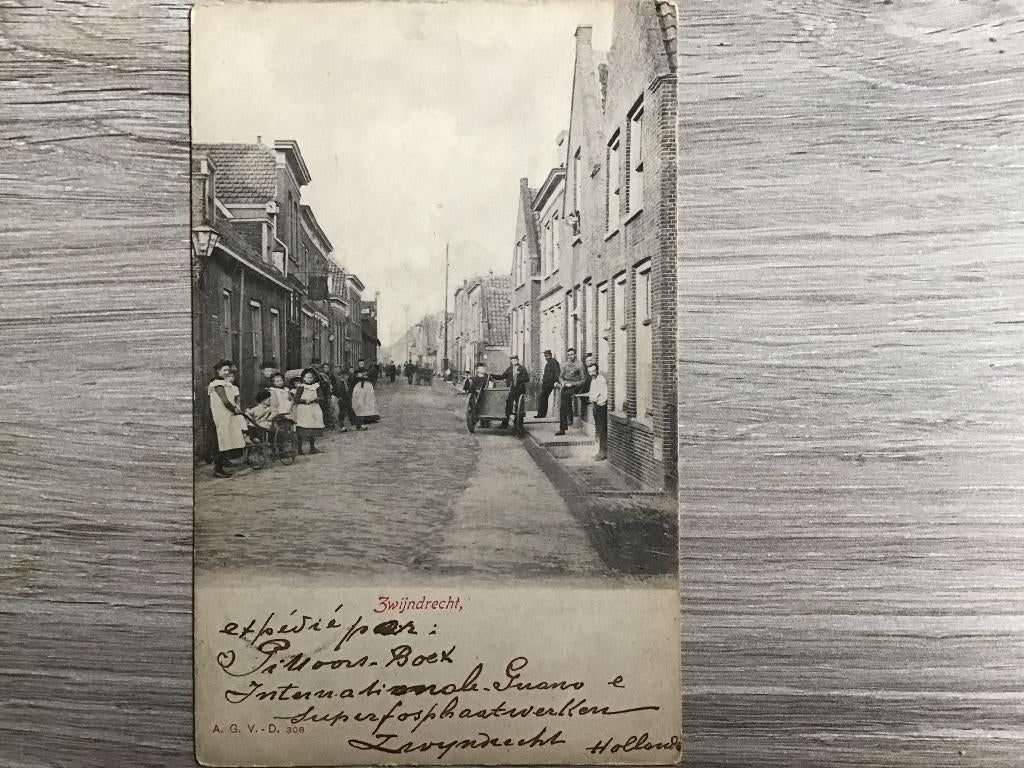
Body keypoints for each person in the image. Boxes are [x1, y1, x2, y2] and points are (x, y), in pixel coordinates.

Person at [207, 360, 245, 478]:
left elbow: (231, 399)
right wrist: (235, 410)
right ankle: (217, 469)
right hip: (220, 415)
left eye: (228, 370)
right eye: (224, 370)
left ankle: (223, 462)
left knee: (226, 438)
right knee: (220, 440)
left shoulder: (226, 383)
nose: (227, 372)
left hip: (227, 415)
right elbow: (224, 400)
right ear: (218, 371)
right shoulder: (216, 384)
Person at [490, 355, 530, 429]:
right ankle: (505, 423)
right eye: (512, 361)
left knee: (519, 408)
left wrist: (519, 378)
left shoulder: (522, 369)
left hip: (519, 390)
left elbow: (527, 379)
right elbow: (502, 376)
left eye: (514, 360)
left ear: (517, 360)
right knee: (508, 406)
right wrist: (493, 376)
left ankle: (518, 424)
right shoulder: (509, 369)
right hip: (511, 390)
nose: (513, 362)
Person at [293, 368, 325, 455]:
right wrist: (305, 401)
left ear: (314, 378)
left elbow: (321, 397)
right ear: (303, 378)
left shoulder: (316, 387)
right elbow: (296, 399)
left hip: (313, 408)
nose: (309, 379)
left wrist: (315, 399)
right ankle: (299, 449)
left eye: (311, 377)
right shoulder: (301, 387)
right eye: (307, 377)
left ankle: (312, 447)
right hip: (303, 409)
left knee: (312, 427)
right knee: (301, 426)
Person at [556, 347, 584, 436]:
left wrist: (574, 384)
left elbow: (584, 379)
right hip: (566, 386)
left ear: (575, 354)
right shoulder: (564, 364)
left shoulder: (580, 365)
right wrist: (562, 382)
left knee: (567, 401)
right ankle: (562, 428)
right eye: (568, 355)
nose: (570, 356)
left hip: (575, 386)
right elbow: (560, 376)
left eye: (572, 354)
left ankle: (570, 417)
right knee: (562, 407)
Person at [585, 362, 608, 460]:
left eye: (593, 371)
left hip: (600, 408)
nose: (591, 373)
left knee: (602, 430)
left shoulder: (601, 380)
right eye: (590, 372)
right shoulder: (593, 380)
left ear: (597, 370)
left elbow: (604, 395)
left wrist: (599, 404)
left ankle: (603, 453)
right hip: (595, 407)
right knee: (598, 429)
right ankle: (600, 451)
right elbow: (593, 393)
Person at [535, 349, 560, 418]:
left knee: (543, 397)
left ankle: (541, 414)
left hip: (550, 383)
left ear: (550, 355)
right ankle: (541, 414)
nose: (546, 357)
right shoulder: (549, 362)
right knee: (543, 397)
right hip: (546, 383)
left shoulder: (554, 362)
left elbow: (557, 372)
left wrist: (556, 381)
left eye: (547, 356)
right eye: (545, 356)